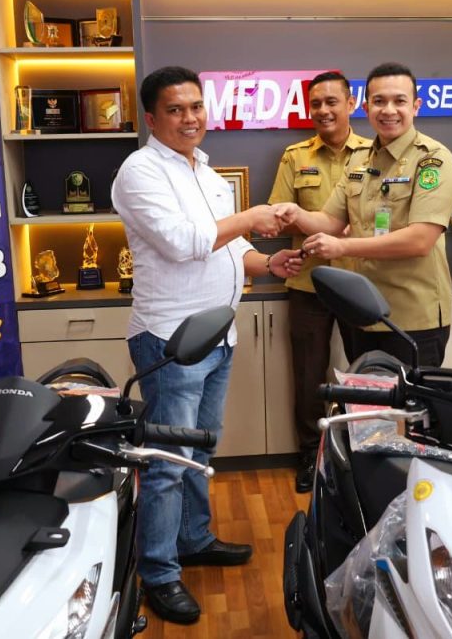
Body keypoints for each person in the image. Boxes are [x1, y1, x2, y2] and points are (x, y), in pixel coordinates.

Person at [110, 66, 303, 625]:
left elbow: (231, 246)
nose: (190, 118)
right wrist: (252, 217)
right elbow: (183, 243)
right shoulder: (140, 172)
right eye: (175, 109)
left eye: (196, 106)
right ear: (152, 118)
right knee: (169, 462)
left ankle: (192, 538)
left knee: (198, 450)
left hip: (218, 335)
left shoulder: (207, 172)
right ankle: (158, 572)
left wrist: (268, 261)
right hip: (170, 340)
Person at [274, 62, 452, 368]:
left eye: (399, 101)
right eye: (379, 101)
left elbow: (420, 240)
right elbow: (330, 222)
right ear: (365, 107)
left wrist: (343, 247)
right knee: (365, 398)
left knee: (408, 400)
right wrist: (296, 213)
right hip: (363, 315)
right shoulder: (359, 161)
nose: (389, 110)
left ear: (416, 106)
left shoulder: (432, 159)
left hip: (411, 319)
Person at [267, 71, 372, 493]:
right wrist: (323, 226)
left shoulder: (375, 153)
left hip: (363, 281)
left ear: (351, 104)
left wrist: (345, 233)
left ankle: (363, 455)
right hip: (308, 283)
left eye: (332, 101)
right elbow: (279, 213)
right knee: (309, 377)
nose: (324, 110)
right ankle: (311, 456)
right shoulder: (295, 157)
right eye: (316, 104)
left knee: (367, 373)